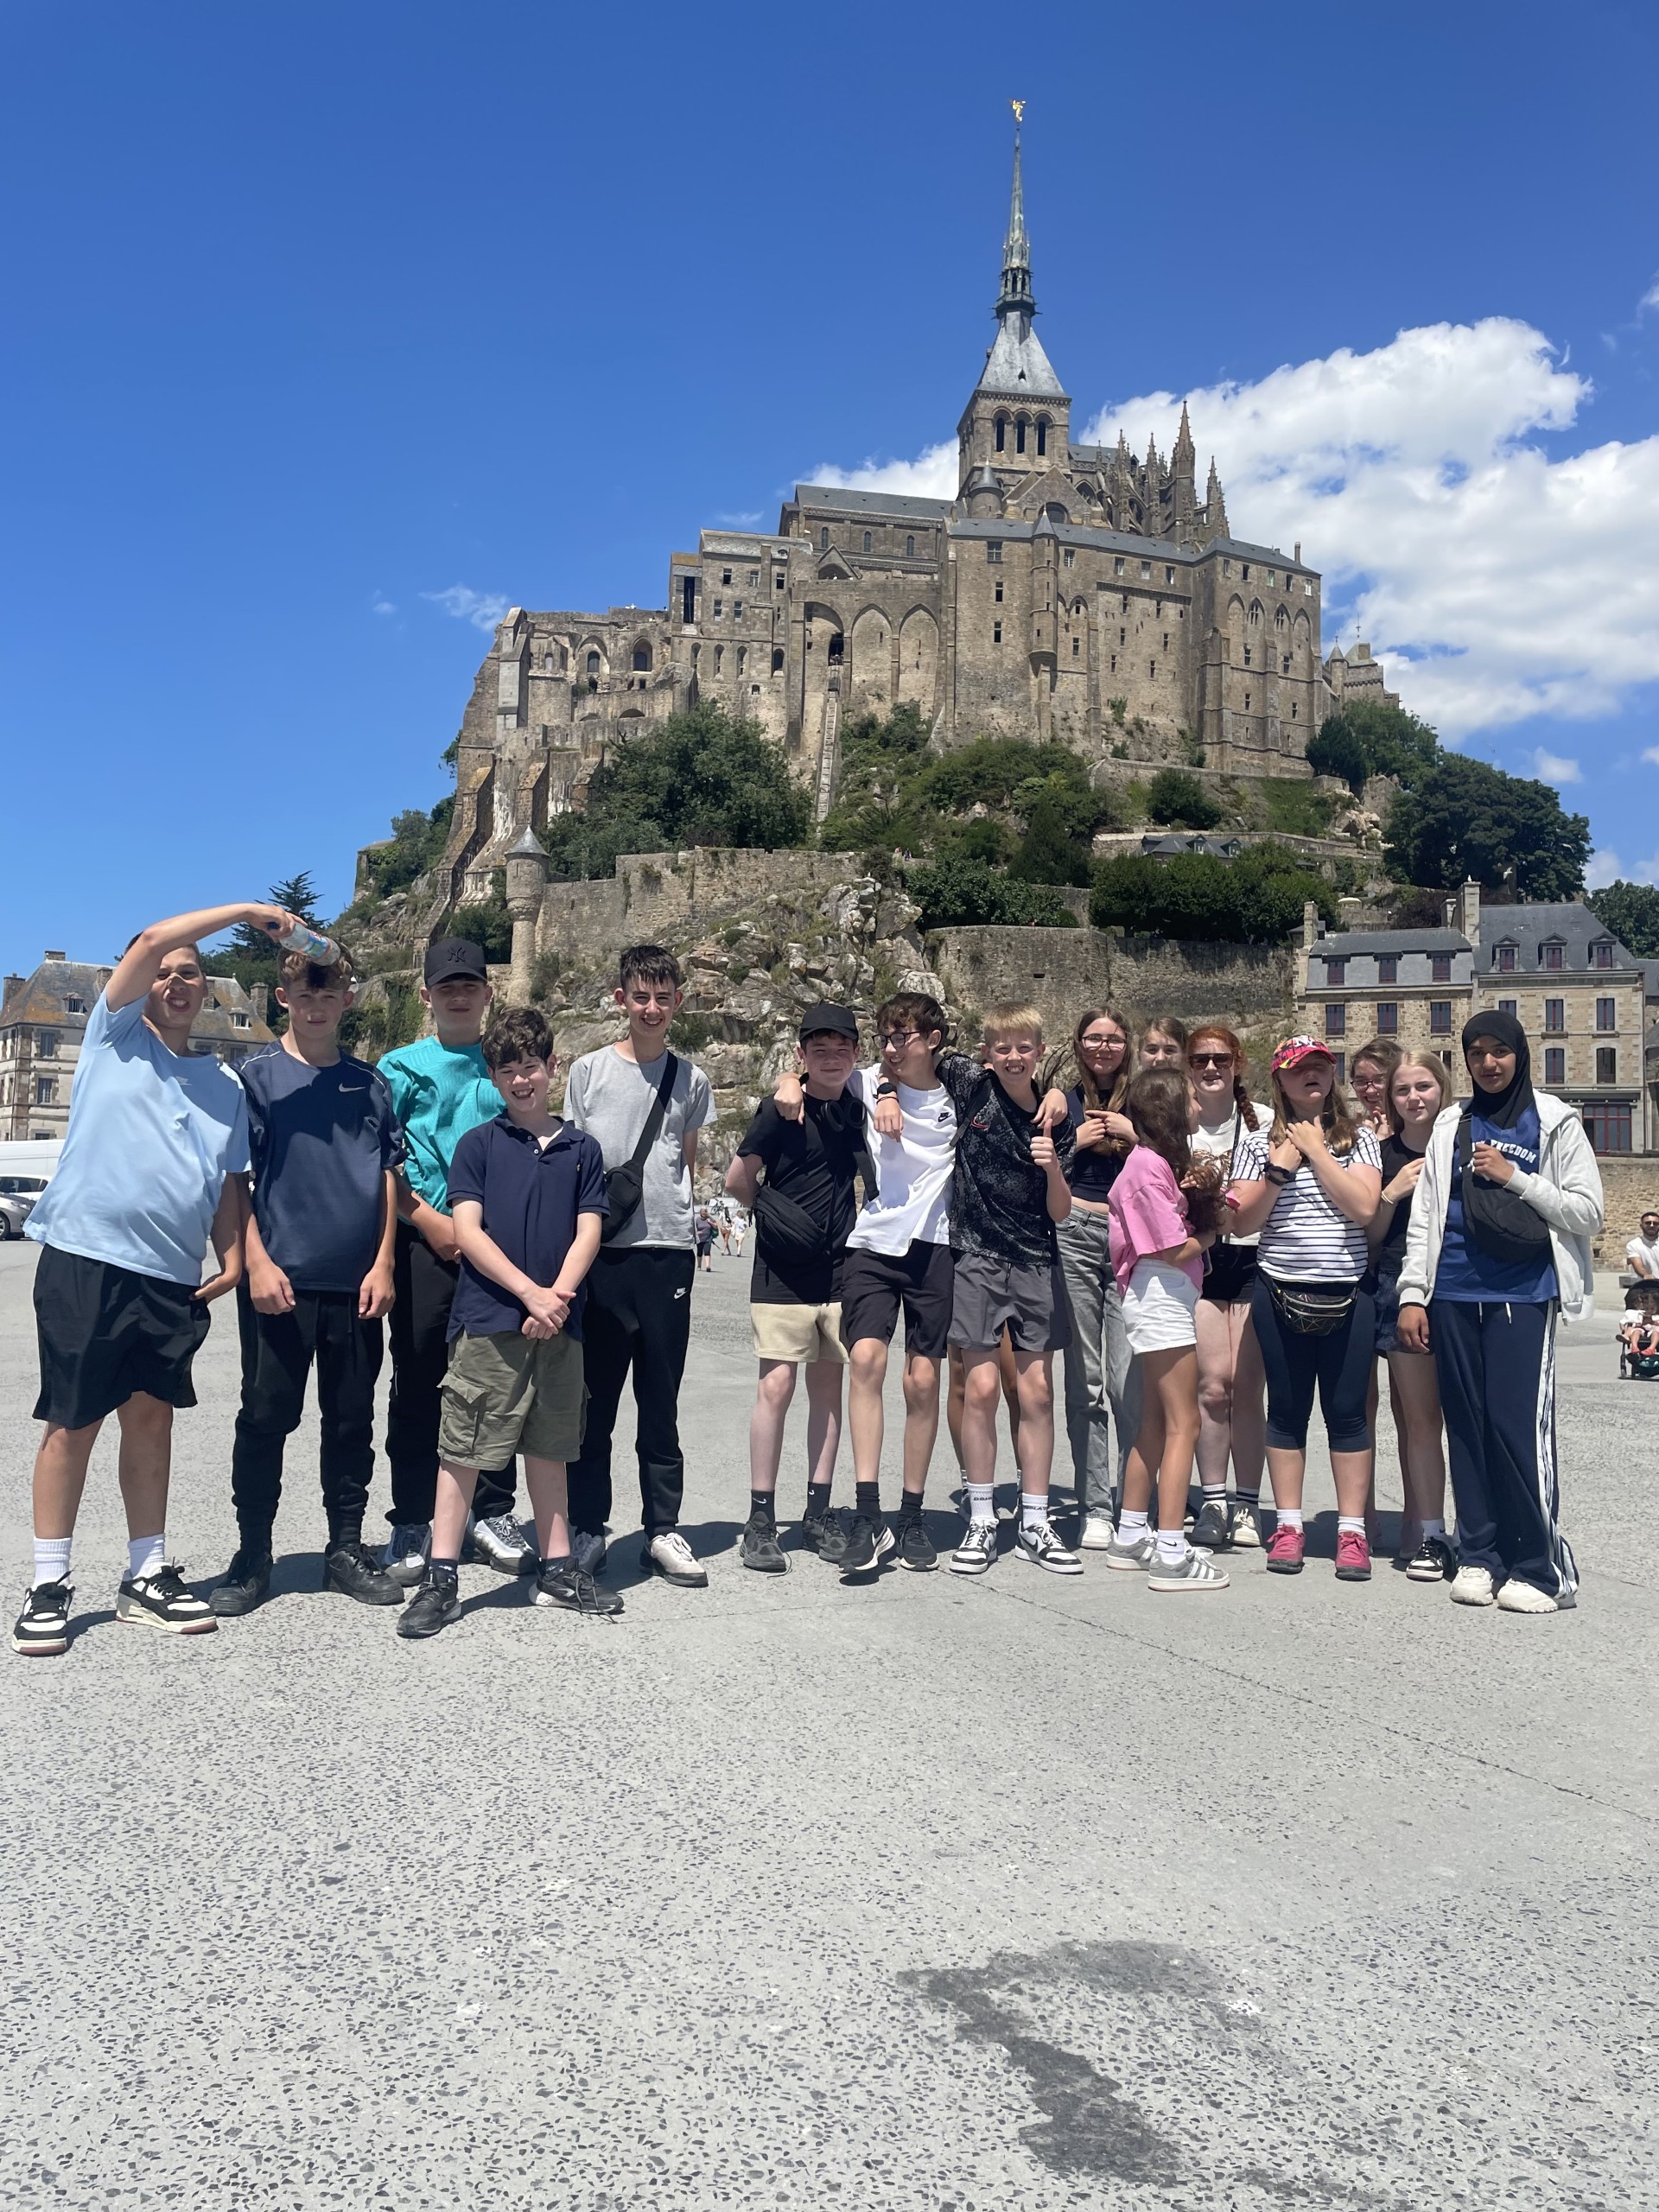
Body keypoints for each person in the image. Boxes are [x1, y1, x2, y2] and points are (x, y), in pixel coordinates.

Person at [12, 901, 285, 1657]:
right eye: (162, 971)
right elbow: (160, 937)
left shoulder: (224, 1085)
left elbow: (228, 1182)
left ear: (206, 991)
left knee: (151, 1420)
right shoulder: (115, 1036)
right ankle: (47, 1581)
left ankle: (145, 1574)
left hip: (168, 1274)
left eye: (189, 974)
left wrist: (235, 1256)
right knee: (72, 1421)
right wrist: (251, 912)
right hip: (85, 1256)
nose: (175, 980)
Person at [399, 1008, 616, 1637]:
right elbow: (467, 1231)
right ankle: (441, 1578)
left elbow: (589, 1229)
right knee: (463, 1452)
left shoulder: (582, 1149)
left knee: (551, 1449)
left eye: (531, 1066)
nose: (522, 1080)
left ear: (552, 1068)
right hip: (490, 1321)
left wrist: (559, 1298)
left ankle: (558, 1569)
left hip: (561, 1324)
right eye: (508, 1070)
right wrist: (530, 1295)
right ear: (493, 1079)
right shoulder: (479, 1146)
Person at [209, 948, 404, 1617]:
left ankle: (344, 1551)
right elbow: (236, 1178)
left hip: (356, 1285)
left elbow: (388, 1175)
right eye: (304, 994)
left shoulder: (369, 1082)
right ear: (283, 998)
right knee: (266, 1418)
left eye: (329, 995)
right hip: (280, 1282)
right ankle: (252, 1555)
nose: (316, 1007)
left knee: (351, 1421)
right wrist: (255, 1262)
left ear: (347, 1000)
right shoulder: (255, 1078)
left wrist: (384, 1262)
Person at [1396, 1012, 1603, 1615]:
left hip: (1523, 1293)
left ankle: (1540, 1566)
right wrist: (1413, 1294)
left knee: (1516, 1429)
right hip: (1454, 1292)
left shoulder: (1555, 1120)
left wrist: (1517, 1179)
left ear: (1520, 1054)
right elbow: (1427, 1215)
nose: (1488, 1063)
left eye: (1499, 1052)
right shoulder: (1451, 1124)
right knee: (1467, 1426)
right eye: (1477, 1053)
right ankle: (1480, 1554)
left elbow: (1588, 1212)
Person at [379, 940, 532, 1585]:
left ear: (489, 993)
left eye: (470, 985)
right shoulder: (398, 1067)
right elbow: (385, 1160)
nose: (460, 996)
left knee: (496, 1382)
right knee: (418, 1381)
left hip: (496, 1246)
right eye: (447, 987)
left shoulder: (505, 1065)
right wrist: (427, 1220)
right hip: (428, 1240)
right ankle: (414, 1517)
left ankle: (491, 1511)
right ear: (427, 997)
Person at [563, 944, 715, 1588]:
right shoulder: (588, 1072)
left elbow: (686, 1161)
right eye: (641, 997)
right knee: (593, 1403)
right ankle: (587, 1526)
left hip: (667, 1255)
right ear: (621, 999)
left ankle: (662, 1528)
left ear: (678, 1002)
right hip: (602, 1255)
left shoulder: (693, 1080)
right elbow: (571, 1160)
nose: (652, 1009)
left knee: (660, 1401)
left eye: (663, 998)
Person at [1228, 1038, 1382, 1581]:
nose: (1310, 1076)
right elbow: (1242, 1222)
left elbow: (1364, 1208)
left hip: (1347, 1290)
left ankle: (1351, 1532)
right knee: (1287, 1411)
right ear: (1280, 1079)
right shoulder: (1255, 1143)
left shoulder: (1360, 1138)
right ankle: (1289, 1525)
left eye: (1320, 1067)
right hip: (1279, 1289)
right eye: (1298, 1070)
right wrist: (1278, 1170)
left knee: (1347, 1414)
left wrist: (1317, 1152)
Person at [724, 1006, 866, 1573]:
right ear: (802, 1055)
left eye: (842, 1049)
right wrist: (776, 1215)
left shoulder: (858, 1109)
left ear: (856, 1054)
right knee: (777, 1385)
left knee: (828, 1389)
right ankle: (760, 1519)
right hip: (782, 1269)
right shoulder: (777, 1110)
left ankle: (818, 1511)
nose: (831, 1059)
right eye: (819, 1050)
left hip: (839, 1270)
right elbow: (737, 1180)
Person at [946, 1003, 1081, 1578]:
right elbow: (908, 1057)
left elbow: (1061, 1211)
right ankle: (981, 1516)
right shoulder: (971, 1085)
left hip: (1033, 1260)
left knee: (1038, 1394)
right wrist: (884, 1094)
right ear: (987, 1053)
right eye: (1002, 1047)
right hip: (975, 1255)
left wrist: (1052, 1168)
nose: (1013, 1056)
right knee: (979, 1390)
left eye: (1024, 1047)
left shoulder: (1056, 1119)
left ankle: (1035, 1520)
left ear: (1040, 1051)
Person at [1103, 1069, 1229, 1592]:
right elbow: (1171, 1249)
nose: (1198, 1107)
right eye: (1191, 1100)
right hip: (1161, 1296)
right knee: (1185, 1424)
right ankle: (1172, 1552)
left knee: (1155, 1421)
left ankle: (1132, 1534)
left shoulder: (1152, 1164)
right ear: (1172, 1110)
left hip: (1161, 1295)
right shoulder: (1146, 1167)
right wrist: (1213, 1232)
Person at [1055, 1007, 1143, 1549]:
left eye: (1113, 1038)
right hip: (1076, 1230)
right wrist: (1076, 1141)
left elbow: (1170, 1162)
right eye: (1093, 1038)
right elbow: (1038, 1166)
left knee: (1126, 1380)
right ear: (1079, 1044)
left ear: (1126, 1044)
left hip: (1131, 1235)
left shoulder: (1143, 1102)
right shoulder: (1062, 1101)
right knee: (1084, 1379)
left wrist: (1134, 1136)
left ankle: (1132, 1503)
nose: (1103, 1047)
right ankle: (1093, 1506)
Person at [1367, 1052, 1455, 1583]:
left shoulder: (1461, 1145)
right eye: (1403, 1090)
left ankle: (1461, 1527)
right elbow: (1370, 1237)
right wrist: (1391, 1190)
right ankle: (1427, 1528)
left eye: (1423, 1087)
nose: (1414, 1098)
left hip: (1458, 1284)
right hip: (1398, 1285)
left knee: (1457, 1417)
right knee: (1419, 1418)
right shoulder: (1382, 1155)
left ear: (1442, 1089)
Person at [1185, 1024, 1268, 1552]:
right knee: (1214, 1387)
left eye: (1220, 1059)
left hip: (1255, 1257)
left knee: (1246, 1388)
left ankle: (1248, 1504)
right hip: (1203, 1259)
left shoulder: (1265, 1121)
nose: (1211, 1068)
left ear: (1237, 1064)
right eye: (1200, 1060)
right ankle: (1213, 1500)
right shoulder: (1179, 1123)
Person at [1350, 1039, 1402, 1138]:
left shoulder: (1420, 1132)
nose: (1370, 1091)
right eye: (1361, 1081)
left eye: (1379, 1080)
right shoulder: (1351, 1136)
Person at [1625, 1210, 1659, 1281]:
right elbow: (1638, 1265)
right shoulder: (1633, 1245)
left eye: (1655, 1223)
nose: (1652, 1225)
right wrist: (1646, 1276)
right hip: (1647, 1284)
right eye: (1648, 1223)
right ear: (1641, 1226)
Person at [695, 1206, 716, 1272]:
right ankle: (699, 1266)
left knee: (707, 1252)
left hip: (708, 1239)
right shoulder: (697, 1219)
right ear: (700, 1212)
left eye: (705, 1211)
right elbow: (693, 1228)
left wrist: (710, 1222)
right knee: (699, 1252)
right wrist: (697, 1232)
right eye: (703, 1211)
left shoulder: (710, 1218)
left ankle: (708, 1266)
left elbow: (716, 1226)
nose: (704, 1213)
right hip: (699, 1239)